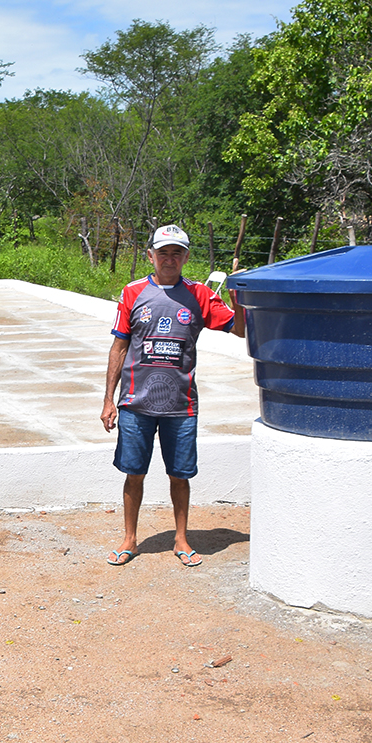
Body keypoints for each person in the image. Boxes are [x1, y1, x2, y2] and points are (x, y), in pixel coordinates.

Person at [101, 224, 245, 567]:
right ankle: (130, 539)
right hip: (136, 403)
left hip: (181, 405)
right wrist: (109, 399)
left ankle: (181, 539)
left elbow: (238, 330)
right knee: (133, 473)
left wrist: (238, 296)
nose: (169, 259)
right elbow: (119, 347)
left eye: (176, 253)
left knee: (179, 475)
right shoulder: (133, 292)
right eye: (163, 252)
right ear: (150, 255)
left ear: (186, 257)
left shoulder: (200, 295)